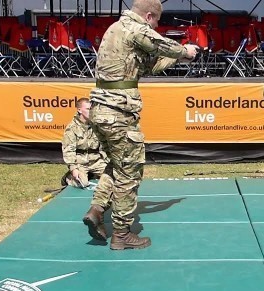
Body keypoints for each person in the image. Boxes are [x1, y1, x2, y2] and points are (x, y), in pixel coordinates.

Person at [82, 0, 198, 251]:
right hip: (118, 113)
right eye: (156, 22)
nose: (156, 26)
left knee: (116, 165)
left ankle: (97, 209)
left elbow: (149, 65)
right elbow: (160, 44)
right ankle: (122, 234)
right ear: (148, 16)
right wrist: (185, 51)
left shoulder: (115, 29)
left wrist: (178, 59)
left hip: (101, 110)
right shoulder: (135, 28)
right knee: (129, 175)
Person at [62, 97, 113, 241]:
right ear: (79, 110)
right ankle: (68, 178)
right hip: (80, 161)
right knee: (82, 182)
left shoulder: (96, 125)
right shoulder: (72, 128)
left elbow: (104, 145)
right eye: (88, 109)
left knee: (112, 175)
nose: (91, 111)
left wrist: (107, 161)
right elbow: (68, 150)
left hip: (96, 159)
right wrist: (73, 168)